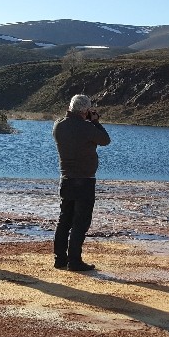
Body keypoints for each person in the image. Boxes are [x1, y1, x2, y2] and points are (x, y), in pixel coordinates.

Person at [52, 94, 111, 271]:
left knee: (64, 220)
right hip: (84, 180)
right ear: (85, 110)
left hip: (66, 178)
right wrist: (95, 122)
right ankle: (75, 261)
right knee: (81, 222)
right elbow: (105, 140)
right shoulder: (86, 127)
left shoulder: (58, 125)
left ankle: (60, 259)